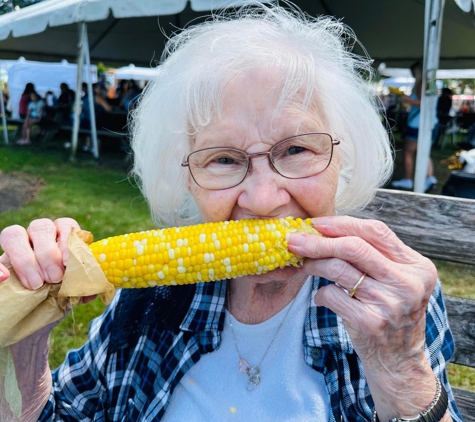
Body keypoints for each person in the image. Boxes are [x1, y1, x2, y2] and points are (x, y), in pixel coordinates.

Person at [0, 5, 462, 422]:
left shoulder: (390, 299)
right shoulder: (149, 299)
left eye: (297, 149)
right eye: (223, 159)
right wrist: (23, 343)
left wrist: (403, 376)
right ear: (184, 175)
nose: (262, 199)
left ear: (345, 157)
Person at [391, 62, 438, 192]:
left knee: (408, 152)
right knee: (424, 151)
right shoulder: (432, 85)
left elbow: (423, 103)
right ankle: (430, 179)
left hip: (417, 123)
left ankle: (408, 179)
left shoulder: (421, 84)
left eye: (413, 72)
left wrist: (406, 99)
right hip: (430, 123)